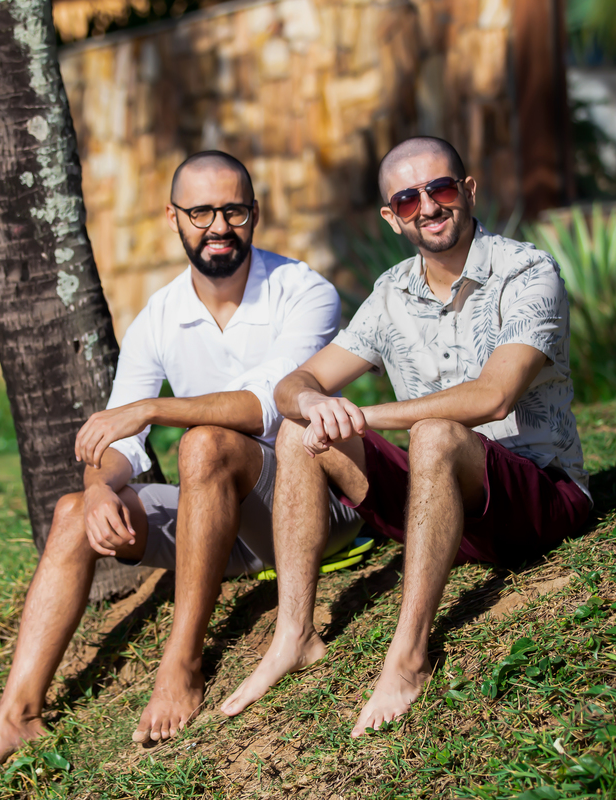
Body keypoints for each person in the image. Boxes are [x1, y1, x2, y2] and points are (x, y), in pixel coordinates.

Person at [0, 151, 360, 786]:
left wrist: (154, 408)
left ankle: (182, 662)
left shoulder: (304, 292)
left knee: (205, 442)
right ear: (174, 217)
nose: (218, 226)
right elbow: (120, 440)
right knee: (72, 513)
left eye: (233, 210)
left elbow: (265, 406)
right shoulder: (160, 316)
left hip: (314, 511)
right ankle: (15, 716)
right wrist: (98, 485)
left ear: (255, 214)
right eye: (200, 212)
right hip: (226, 522)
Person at [219, 136, 592, 736]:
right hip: (441, 508)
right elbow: (295, 383)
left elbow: (492, 397)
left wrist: (363, 415)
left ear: (468, 191)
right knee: (299, 431)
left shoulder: (526, 271)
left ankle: (409, 656)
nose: (431, 206)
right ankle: (294, 633)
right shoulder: (391, 292)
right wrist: (316, 401)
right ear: (394, 217)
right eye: (409, 199)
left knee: (436, 435)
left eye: (442, 189)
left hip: (538, 500)